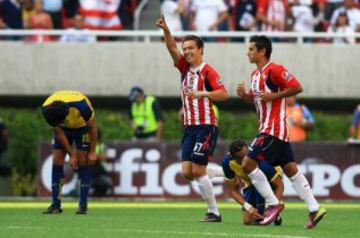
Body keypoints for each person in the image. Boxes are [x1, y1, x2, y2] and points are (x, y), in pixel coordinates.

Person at [236, 35, 327, 228]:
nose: (248, 52)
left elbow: (297, 87)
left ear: (262, 51)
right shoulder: (254, 75)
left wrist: (275, 95)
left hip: (272, 129)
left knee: (247, 163)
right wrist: (245, 96)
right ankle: (314, 208)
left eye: (251, 49)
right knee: (291, 169)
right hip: (272, 130)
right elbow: (258, 100)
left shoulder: (275, 70)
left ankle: (273, 204)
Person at [156, 15, 229, 222]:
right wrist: (166, 31)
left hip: (206, 126)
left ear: (200, 50)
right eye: (185, 48)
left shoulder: (207, 72)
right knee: (187, 173)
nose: (186, 51)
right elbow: (171, 49)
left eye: (190, 48)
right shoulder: (184, 69)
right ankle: (230, 171)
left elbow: (224, 95)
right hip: (189, 128)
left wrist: (203, 94)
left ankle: (213, 211)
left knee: (198, 170)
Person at [41, 90, 97, 215]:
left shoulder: (82, 105)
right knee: (57, 159)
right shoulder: (46, 110)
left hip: (82, 128)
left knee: (82, 160)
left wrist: (92, 152)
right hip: (64, 131)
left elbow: (93, 127)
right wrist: (71, 154)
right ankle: (56, 204)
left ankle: (83, 204)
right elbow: (59, 132)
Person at [222, 140, 284, 225]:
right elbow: (233, 190)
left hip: (271, 177)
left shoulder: (260, 161)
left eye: (246, 155)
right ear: (234, 158)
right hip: (250, 182)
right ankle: (268, 213)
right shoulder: (227, 163)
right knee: (247, 221)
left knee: (261, 219)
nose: (245, 159)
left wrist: (273, 207)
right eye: (241, 158)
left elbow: (279, 185)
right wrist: (249, 208)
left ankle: (273, 211)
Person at [89, 128, 113, 197]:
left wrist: (92, 154)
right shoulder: (85, 144)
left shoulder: (101, 145)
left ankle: (97, 195)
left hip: (99, 172)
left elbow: (104, 157)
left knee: (107, 182)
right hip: (88, 171)